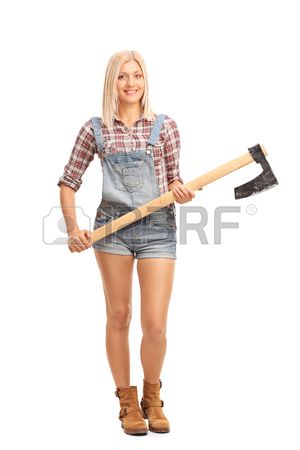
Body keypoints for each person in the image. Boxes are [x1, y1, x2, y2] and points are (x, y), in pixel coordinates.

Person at [57, 50, 196, 436]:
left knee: (155, 325)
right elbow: (68, 182)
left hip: (157, 230)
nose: (131, 83)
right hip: (111, 231)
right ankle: (127, 401)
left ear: (145, 81)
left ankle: (153, 397)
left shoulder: (165, 127)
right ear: (111, 83)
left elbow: (172, 180)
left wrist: (178, 191)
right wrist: (73, 228)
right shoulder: (95, 129)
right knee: (119, 316)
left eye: (137, 76)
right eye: (122, 77)